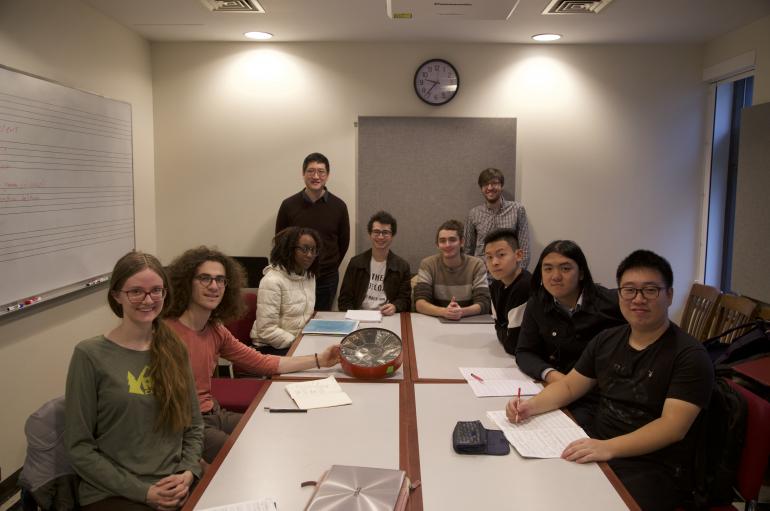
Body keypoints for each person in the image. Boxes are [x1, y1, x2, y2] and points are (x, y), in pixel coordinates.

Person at [507, 250, 714, 511]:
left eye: (650, 290)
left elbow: (673, 427)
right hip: (598, 443)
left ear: (669, 295)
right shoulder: (607, 339)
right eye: (629, 290)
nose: (638, 299)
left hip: (653, 464)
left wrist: (608, 448)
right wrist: (530, 406)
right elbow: (570, 386)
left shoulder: (689, 355)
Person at [165, 246, 341, 463]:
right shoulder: (167, 334)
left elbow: (261, 362)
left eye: (220, 280)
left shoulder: (215, 329)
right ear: (186, 282)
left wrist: (319, 360)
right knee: (247, 454)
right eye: (205, 278)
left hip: (213, 413)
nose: (214, 286)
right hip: (186, 426)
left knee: (273, 431)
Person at [65, 252, 203, 511]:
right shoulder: (89, 355)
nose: (148, 300)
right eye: (136, 292)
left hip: (174, 481)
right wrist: (145, 492)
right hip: (114, 492)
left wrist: (188, 471)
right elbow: (78, 448)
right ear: (117, 295)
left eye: (156, 291)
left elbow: (193, 424)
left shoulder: (175, 348)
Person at [515, 240, 625, 426]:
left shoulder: (612, 303)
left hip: (600, 397)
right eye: (547, 269)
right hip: (559, 389)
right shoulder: (537, 303)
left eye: (565, 269)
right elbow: (525, 351)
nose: (555, 276)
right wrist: (552, 375)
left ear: (581, 272)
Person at [275, 152, 350, 311]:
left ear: (327, 175)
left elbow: (344, 243)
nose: (316, 176)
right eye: (311, 171)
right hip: (295, 276)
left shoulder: (339, 206)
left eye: (321, 171)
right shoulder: (288, 205)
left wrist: (329, 265)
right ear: (303, 174)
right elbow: (280, 242)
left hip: (326, 278)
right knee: (294, 320)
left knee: (322, 320)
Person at [250, 226, 320, 355]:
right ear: (288, 249)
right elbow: (266, 330)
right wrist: (299, 343)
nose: (310, 255)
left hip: (297, 341)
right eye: (304, 249)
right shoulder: (272, 281)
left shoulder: (309, 276)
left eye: (313, 250)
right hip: (270, 347)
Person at [414, 219, 490, 320]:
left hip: (468, 321)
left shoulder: (476, 265)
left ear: (462, 242)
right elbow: (420, 303)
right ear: (437, 244)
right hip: (436, 322)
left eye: (452, 240)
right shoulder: (428, 264)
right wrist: (444, 312)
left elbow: (484, 303)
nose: (447, 245)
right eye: (442, 241)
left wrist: (461, 312)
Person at [337, 210, 411, 314]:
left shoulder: (402, 266)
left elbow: (405, 300)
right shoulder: (355, 263)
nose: (380, 237)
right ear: (370, 234)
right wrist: (353, 316)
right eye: (376, 232)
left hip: (387, 317)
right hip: (359, 316)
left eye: (385, 233)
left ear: (392, 236)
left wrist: (395, 306)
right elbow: (344, 299)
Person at [464, 168, 530, 269]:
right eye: (485, 184)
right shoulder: (473, 214)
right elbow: (468, 250)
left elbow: (524, 247)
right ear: (481, 188)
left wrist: (518, 274)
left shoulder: (517, 210)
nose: (490, 187)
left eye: (494, 183)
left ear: (501, 186)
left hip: (509, 273)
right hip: (482, 274)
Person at [483, 228, 531, 355]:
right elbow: (498, 326)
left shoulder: (525, 286)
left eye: (501, 255)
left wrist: (503, 332)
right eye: (489, 257)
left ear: (519, 255)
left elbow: (513, 344)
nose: (494, 262)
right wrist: (504, 331)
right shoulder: (495, 285)